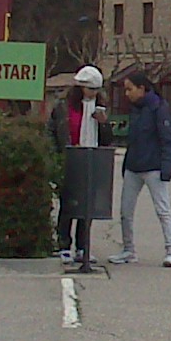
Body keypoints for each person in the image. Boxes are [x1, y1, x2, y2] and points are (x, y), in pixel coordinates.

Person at [113, 71, 171, 268]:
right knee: (126, 210)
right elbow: (133, 139)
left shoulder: (159, 108)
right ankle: (128, 249)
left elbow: (168, 139)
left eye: (130, 89)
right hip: (134, 165)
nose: (127, 94)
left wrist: (167, 167)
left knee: (162, 209)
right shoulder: (135, 109)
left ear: (142, 88)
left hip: (154, 167)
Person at [50, 66, 105, 264]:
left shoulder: (99, 107)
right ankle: (64, 245)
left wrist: (104, 123)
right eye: (91, 90)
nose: (94, 94)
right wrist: (56, 157)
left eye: (97, 90)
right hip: (71, 158)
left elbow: (107, 139)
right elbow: (53, 132)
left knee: (87, 208)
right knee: (68, 205)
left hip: (91, 159)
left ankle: (83, 247)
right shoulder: (64, 107)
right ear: (80, 88)